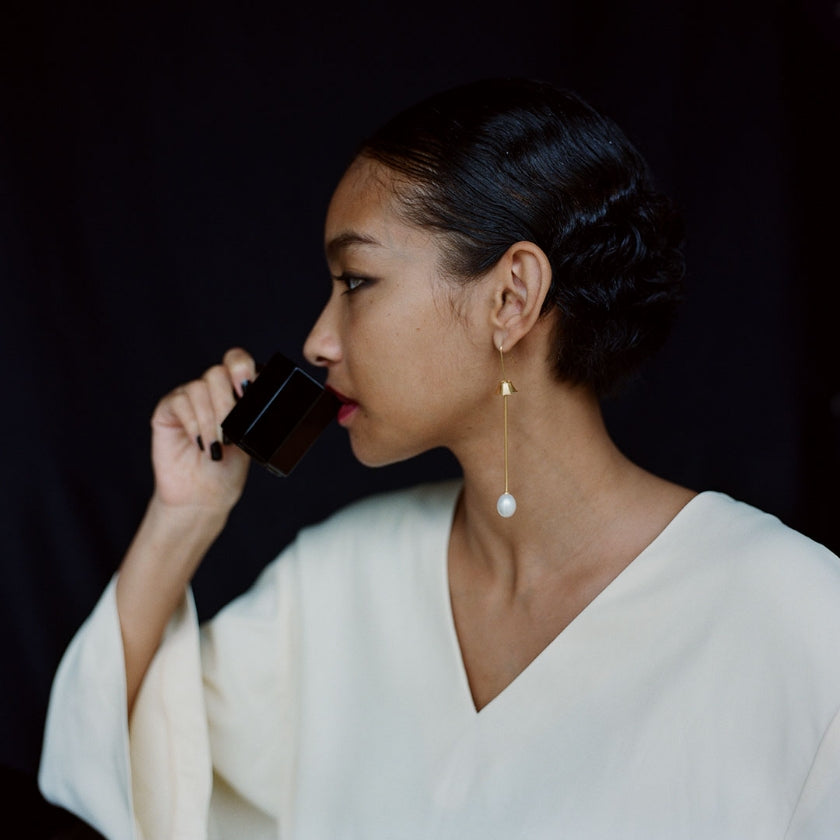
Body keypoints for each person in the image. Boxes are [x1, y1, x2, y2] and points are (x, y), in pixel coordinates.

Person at [39, 79, 840, 839]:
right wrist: (183, 517)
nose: (318, 341)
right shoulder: (336, 584)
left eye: (357, 281)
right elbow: (120, 781)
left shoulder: (798, 620)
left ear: (512, 296)